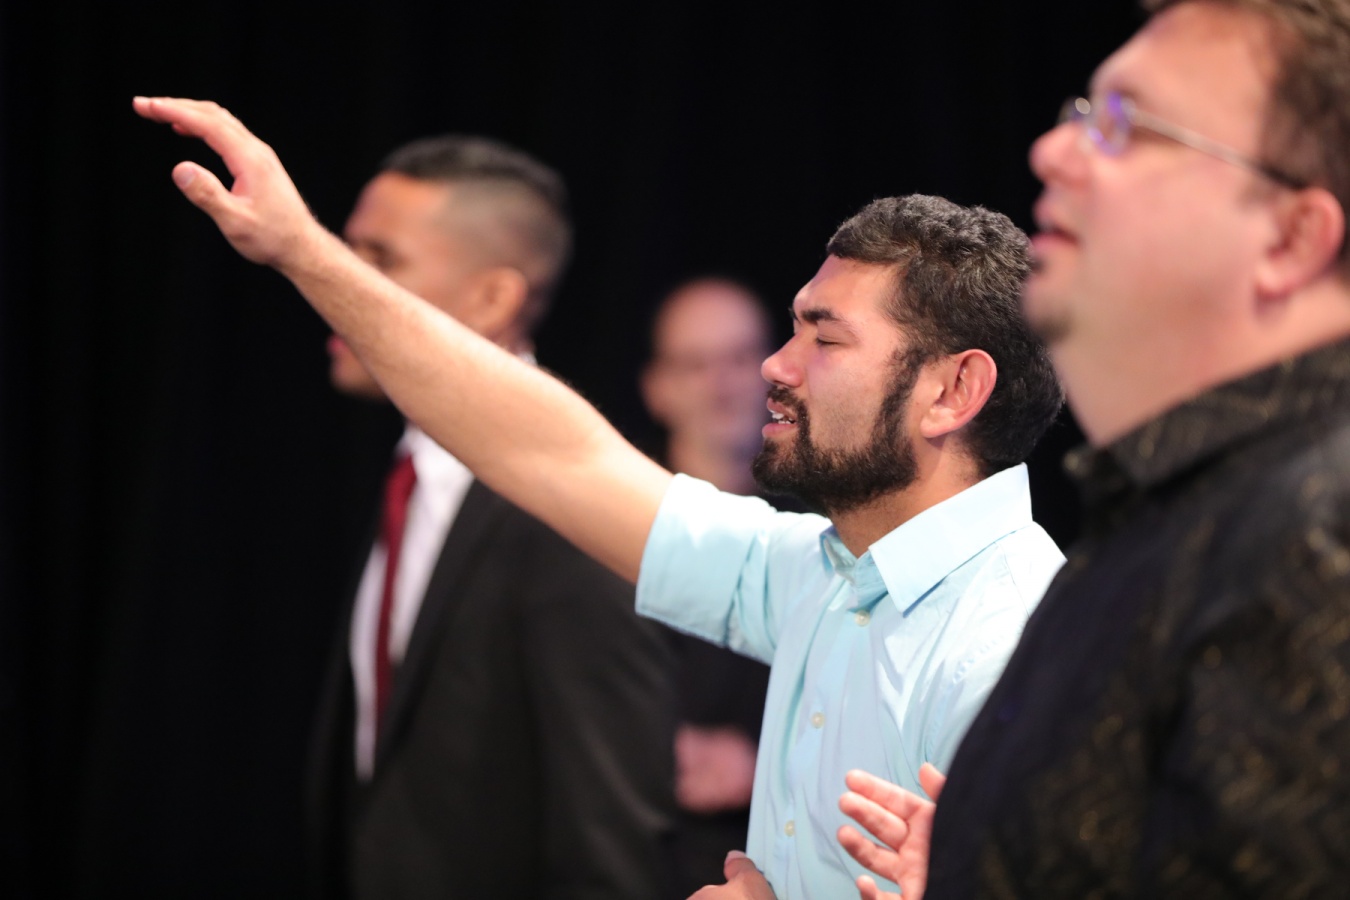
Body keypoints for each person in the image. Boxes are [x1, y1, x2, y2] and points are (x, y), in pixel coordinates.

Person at [132, 96, 1067, 899]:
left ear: (953, 391)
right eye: (792, 330)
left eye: (824, 340)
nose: (774, 369)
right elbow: (554, 456)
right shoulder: (820, 577)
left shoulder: (1015, 649)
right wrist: (303, 252)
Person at [836, 0, 1350, 897]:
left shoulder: (1318, 538)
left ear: (1291, 238)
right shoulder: (1176, 512)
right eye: (1084, 113)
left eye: (1128, 126)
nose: (1051, 151)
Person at [302, 135, 677, 899]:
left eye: (381, 259)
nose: (336, 278)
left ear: (493, 299)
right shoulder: (409, 481)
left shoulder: (577, 518)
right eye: (345, 250)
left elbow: (612, 845)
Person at [639, 277, 776, 895]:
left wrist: (764, 760)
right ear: (657, 388)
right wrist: (649, 748)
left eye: (740, 359)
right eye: (696, 364)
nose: (721, 385)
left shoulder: (831, 532)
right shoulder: (609, 531)